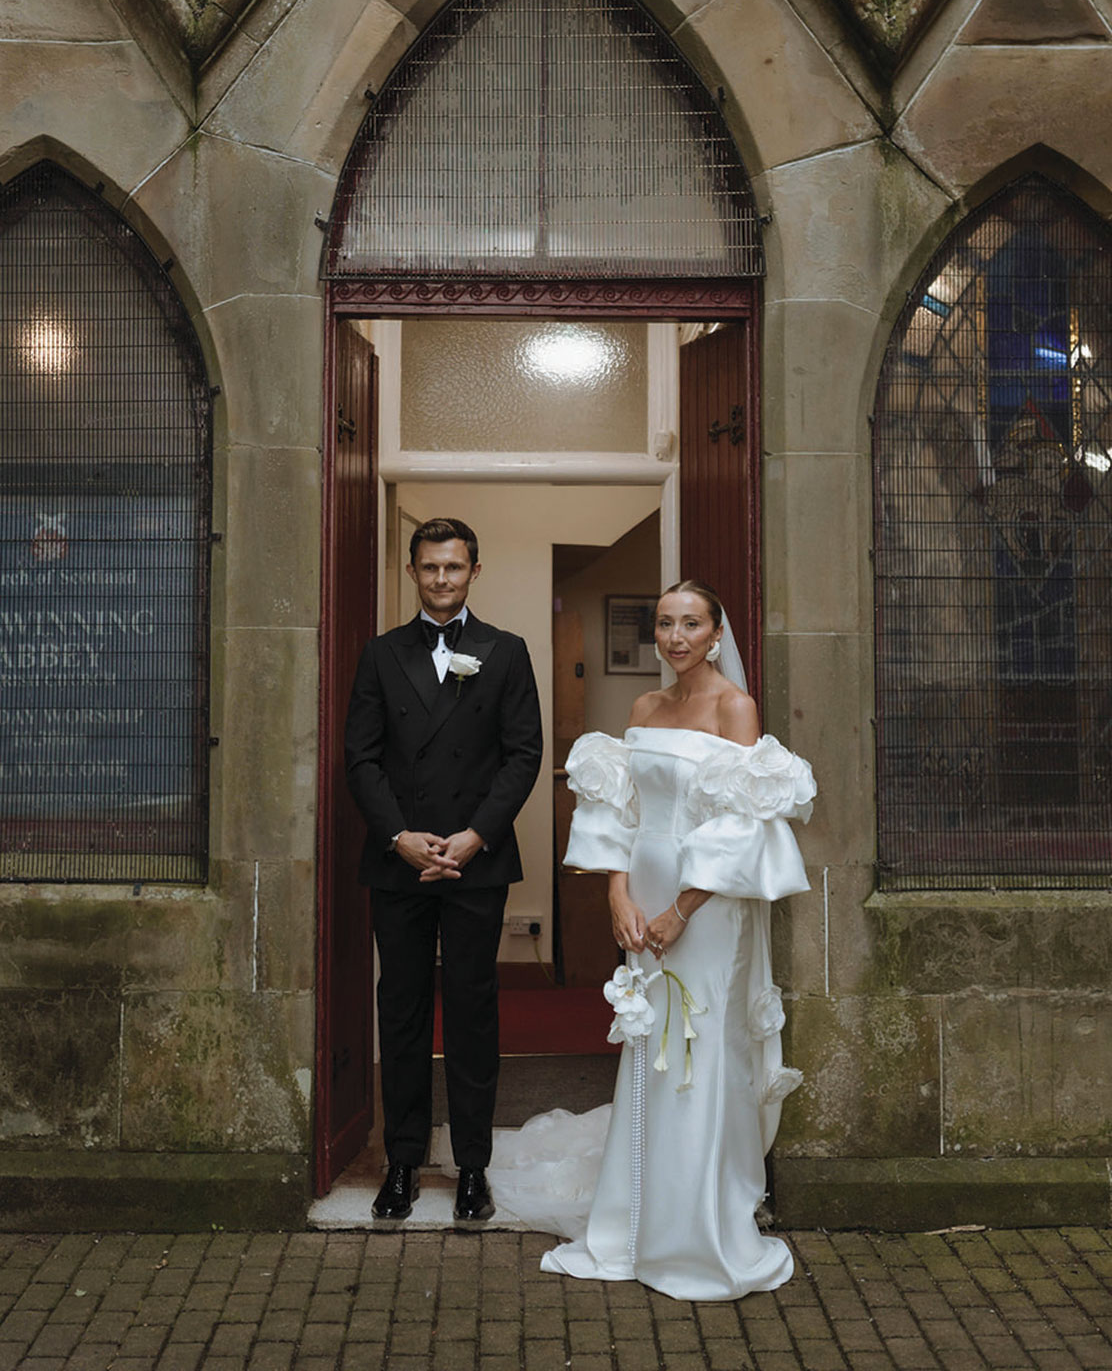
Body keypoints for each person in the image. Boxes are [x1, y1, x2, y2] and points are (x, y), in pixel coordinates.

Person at [490, 578, 813, 1300]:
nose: (674, 637)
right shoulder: (644, 707)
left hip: (709, 909)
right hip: (644, 899)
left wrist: (682, 910)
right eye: (665, 623)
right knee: (650, 1045)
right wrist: (617, 893)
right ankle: (637, 1217)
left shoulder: (736, 708)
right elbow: (619, 812)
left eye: (690, 624)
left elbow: (743, 826)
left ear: (715, 634)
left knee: (700, 1048)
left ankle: (697, 1226)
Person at [344, 517, 543, 1226]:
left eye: (453, 568)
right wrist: (398, 835)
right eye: (429, 568)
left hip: (473, 864)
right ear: (412, 571)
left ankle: (472, 1168)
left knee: (470, 1013)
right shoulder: (379, 654)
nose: (441, 580)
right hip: (398, 862)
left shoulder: (507, 652)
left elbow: (524, 755)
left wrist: (475, 837)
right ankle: (400, 1162)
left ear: (473, 571)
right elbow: (360, 759)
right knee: (398, 1012)